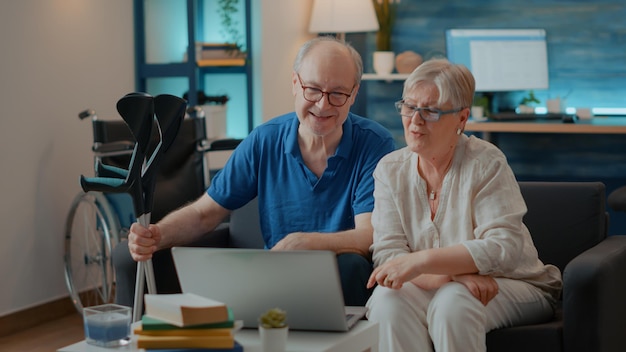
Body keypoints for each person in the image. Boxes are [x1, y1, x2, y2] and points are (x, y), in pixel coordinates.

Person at [115, 35, 396, 307]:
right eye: (313, 90)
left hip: (344, 283)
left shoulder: (374, 143)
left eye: (337, 94)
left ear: (354, 94)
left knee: (350, 265)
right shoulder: (264, 140)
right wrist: (157, 234)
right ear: (295, 83)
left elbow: (368, 235)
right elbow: (204, 214)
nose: (323, 105)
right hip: (274, 281)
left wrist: (307, 243)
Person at [365, 58, 562, 351]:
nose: (415, 121)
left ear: (461, 118)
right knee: (386, 299)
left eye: (430, 111)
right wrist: (450, 274)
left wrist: (422, 262)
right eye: (409, 106)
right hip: (443, 284)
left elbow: (502, 248)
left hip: (515, 283)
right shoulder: (389, 170)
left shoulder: (486, 162)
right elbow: (388, 256)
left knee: (453, 303)